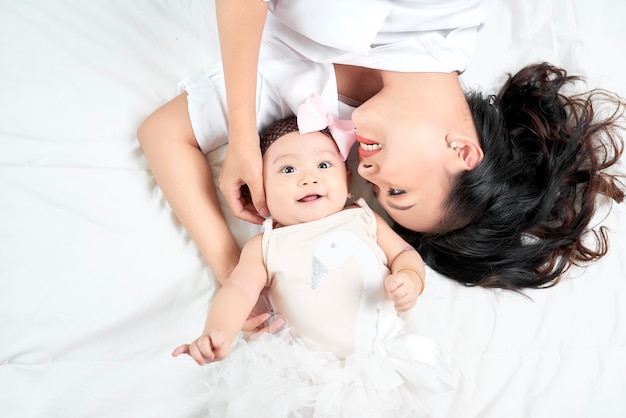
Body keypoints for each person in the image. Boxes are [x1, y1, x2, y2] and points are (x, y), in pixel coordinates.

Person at [137, 0, 625, 296]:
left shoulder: (311, 110)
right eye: (398, 189)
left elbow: (162, 135)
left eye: (379, 192)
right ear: (462, 151)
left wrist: (237, 273)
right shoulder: (448, 16)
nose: (366, 173)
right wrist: (242, 133)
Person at [171, 113, 450, 417]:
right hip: (306, 375)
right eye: (288, 169)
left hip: (382, 361)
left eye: (323, 165)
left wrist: (409, 277)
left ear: (346, 180)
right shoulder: (264, 245)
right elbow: (238, 289)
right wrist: (218, 332)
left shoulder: (363, 218)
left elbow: (405, 253)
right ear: (259, 190)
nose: (308, 178)